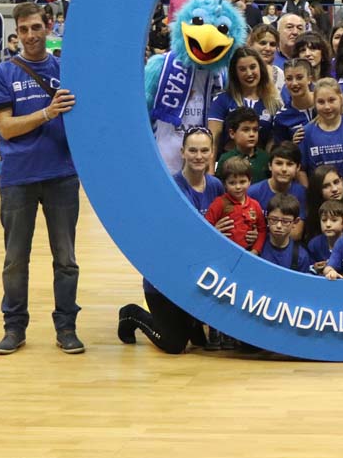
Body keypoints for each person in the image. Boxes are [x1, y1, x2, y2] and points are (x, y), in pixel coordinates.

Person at [0, 3, 82, 356]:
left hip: (62, 175)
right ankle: (14, 328)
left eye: (36, 28)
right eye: (24, 29)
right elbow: (7, 129)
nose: (30, 35)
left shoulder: (66, 69)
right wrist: (47, 113)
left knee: (66, 258)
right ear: (17, 32)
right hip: (17, 177)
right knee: (15, 259)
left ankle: (67, 327)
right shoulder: (3, 74)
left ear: (49, 26)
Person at [118, 127, 225, 353]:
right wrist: (214, 231)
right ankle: (131, 314)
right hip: (164, 279)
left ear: (212, 152)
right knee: (173, 344)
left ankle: (192, 322)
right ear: (182, 152)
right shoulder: (171, 188)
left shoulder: (216, 186)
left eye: (204, 150)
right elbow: (182, 237)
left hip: (197, 277)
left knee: (199, 342)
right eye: (193, 150)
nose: (199, 156)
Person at [208, 47, 281, 156]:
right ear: (235, 73)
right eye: (242, 69)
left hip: (260, 166)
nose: (249, 73)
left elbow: (272, 142)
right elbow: (213, 141)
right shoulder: (222, 100)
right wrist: (210, 172)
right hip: (228, 166)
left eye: (253, 67)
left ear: (260, 68)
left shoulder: (274, 103)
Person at [205, 155, 265, 255]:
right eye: (232, 183)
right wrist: (214, 233)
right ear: (225, 184)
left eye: (242, 182)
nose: (238, 187)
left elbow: (262, 230)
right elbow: (206, 227)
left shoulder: (255, 205)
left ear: (250, 181)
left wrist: (255, 250)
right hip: (222, 253)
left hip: (248, 254)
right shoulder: (219, 203)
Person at [247, 141, 307, 236]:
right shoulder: (252, 192)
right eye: (279, 163)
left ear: (298, 167)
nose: (284, 169)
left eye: (289, 164)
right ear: (270, 165)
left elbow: (296, 234)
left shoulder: (302, 193)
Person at [259, 194, 313, 273]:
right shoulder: (257, 246)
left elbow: (302, 284)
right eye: (274, 219)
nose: (279, 226)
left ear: (295, 222)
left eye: (285, 221)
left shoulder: (301, 256)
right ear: (267, 218)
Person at [215, 107, 270, 183]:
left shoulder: (265, 158)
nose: (252, 134)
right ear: (232, 133)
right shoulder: (225, 159)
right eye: (246, 130)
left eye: (255, 130)